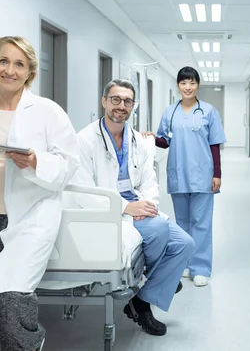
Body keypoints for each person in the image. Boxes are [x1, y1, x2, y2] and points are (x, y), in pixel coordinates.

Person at [0, 36, 80, 351]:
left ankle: (29, 342)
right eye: (3, 61)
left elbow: (69, 163)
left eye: (19, 64)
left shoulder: (48, 111)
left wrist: (36, 161)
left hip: (33, 213)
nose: (9, 70)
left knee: (12, 292)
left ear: (29, 72)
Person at [71, 79, 195, 336]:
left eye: (128, 101)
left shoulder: (139, 140)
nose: (121, 106)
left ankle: (140, 300)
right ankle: (156, 286)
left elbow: (149, 181)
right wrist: (127, 208)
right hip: (108, 211)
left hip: (139, 207)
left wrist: (146, 206)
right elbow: (82, 191)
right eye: (115, 99)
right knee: (160, 229)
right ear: (104, 101)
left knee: (185, 244)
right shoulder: (83, 140)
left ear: (133, 106)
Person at [142, 66, 226, 287]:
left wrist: (217, 173)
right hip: (178, 174)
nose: (188, 87)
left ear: (198, 85)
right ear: (178, 86)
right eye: (183, 83)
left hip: (203, 174)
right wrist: (152, 137)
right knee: (182, 223)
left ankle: (201, 268)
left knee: (202, 224)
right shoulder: (170, 112)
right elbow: (165, 140)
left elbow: (215, 144)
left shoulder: (208, 111)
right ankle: (186, 263)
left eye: (192, 83)